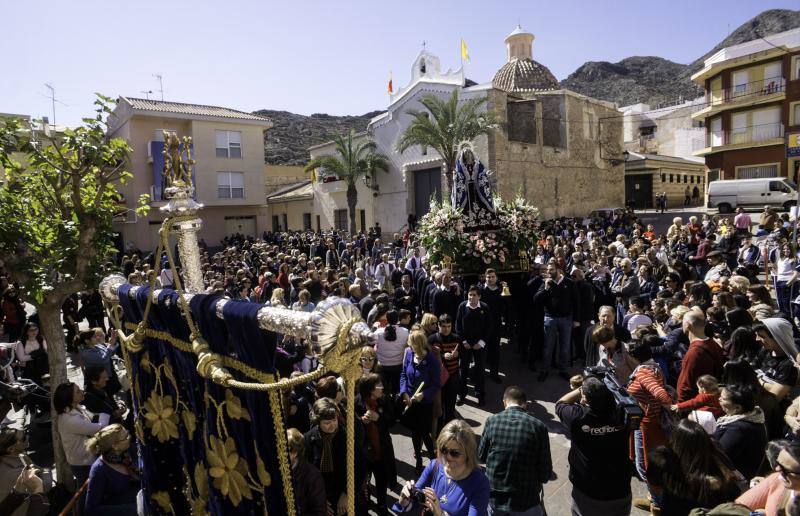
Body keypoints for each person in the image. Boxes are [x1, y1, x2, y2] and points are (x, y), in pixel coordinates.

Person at [556, 377, 632, 516]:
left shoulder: (577, 417)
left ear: (585, 398)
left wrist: (581, 389)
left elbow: (560, 403)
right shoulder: (624, 415)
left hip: (588, 491)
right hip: (620, 488)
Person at [478, 386, 552, 515]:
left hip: (496, 500)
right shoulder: (539, 427)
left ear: (504, 401)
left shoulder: (492, 421)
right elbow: (545, 473)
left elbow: (481, 457)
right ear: (525, 404)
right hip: (526, 501)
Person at [647, 419, 743, 516]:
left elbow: (653, 480)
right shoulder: (717, 461)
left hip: (671, 510)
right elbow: (734, 494)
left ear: (675, 440)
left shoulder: (664, 461)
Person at [396, 419, 490, 516]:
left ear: (468, 454)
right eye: (444, 450)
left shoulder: (480, 483)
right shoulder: (434, 466)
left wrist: (440, 513)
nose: (448, 457)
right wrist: (405, 498)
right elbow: (415, 499)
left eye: (455, 453)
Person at [626, 339, 673, 511]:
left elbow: (661, 394)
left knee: (645, 466)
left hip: (647, 425)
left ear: (633, 357)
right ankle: (656, 497)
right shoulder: (654, 367)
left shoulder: (643, 373)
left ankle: (657, 503)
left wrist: (671, 405)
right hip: (653, 421)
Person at [305, 397, 366, 516]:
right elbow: (307, 473)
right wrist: (319, 499)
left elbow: (360, 468)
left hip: (345, 497)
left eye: (334, 420)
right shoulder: (308, 439)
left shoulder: (348, 437)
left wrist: (347, 494)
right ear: (318, 422)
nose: (332, 425)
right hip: (321, 500)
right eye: (326, 423)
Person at [54, 382, 109, 497]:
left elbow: (91, 416)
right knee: (85, 492)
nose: (82, 392)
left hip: (85, 456)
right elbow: (98, 428)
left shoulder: (77, 408)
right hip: (81, 462)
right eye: (78, 391)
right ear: (69, 398)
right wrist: (106, 415)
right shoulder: (70, 420)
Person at [400, 330, 441, 474]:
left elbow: (436, 384)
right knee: (415, 432)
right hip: (411, 401)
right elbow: (404, 374)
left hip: (424, 403)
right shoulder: (410, 354)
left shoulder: (431, 360)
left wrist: (423, 394)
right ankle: (418, 460)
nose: (410, 347)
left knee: (425, 432)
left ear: (419, 344)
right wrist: (404, 392)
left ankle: (433, 460)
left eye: (412, 344)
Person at [355, 373, 396, 516]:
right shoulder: (356, 403)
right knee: (363, 481)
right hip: (364, 453)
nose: (382, 387)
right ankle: (365, 503)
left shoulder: (384, 400)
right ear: (370, 389)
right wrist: (361, 421)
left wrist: (379, 418)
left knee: (382, 480)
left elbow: (392, 421)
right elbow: (351, 427)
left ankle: (382, 505)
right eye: (379, 385)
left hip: (381, 450)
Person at [712, 384, 768, 480]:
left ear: (737, 408)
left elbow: (721, 456)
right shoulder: (753, 416)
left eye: (723, 399)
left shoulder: (738, 429)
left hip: (739, 477)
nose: (719, 399)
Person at [534, 262, 577, 382]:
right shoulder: (546, 283)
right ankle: (545, 370)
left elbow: (576, 301)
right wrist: (546, 289)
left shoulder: (569, 283)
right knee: (548, 346)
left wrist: (577, 319)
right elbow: (536, 299)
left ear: (558, 270)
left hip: (566, 319)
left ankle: (563, 370)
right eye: (547, 270)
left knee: (565, 347)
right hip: (550, 319)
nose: (548, 272)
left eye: (551, 270)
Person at [84, 424, 139, 516]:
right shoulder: (99, 470)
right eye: (125, 438)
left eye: (127, 434)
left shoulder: (126, 454)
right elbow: (91, 510)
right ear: (114, 446)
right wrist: (134, 509)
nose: (129, 437)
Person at [737, 440, 800, 515]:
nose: (777, 469)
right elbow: (735, 508)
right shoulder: (777, 479)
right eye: (777, 463)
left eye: (785, 469)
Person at [676, 310, 725, 403]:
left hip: (697, 402)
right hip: (711, 397)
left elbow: (686, 384)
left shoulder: (694, 352)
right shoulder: (713, 343)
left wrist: (681, 405)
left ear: (687, 325)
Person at [455, 286, 491, 405]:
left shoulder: (485, 308)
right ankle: (461, 394)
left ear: (479, 296)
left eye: (474, 295)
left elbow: (488, 327)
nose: (471, 297)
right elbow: (458, 325)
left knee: (480, 370)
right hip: (465, 344)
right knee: (463, 369)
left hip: (479, 344)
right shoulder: (462, 306)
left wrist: (481, 343)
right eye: (470, 295)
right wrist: (463, 341)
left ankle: (480, 395)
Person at [0, 428, 48, 516]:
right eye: (23, 438)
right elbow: (41, 493)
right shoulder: (14, 474)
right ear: (11, 449)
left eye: (25, 433)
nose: (28, 437)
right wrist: (39, 485)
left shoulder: (19, 455)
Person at [428, 314, 462, 423]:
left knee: (450, 405)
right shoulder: (432, 339)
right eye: (443, 326)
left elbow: (464, 355)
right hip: (438, 378)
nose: (446, 329)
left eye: (448, 326)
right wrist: (442, 356)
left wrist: (458, 354)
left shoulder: (456, 338)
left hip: (453, 375)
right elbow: (427, 357)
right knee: (438, 405)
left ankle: (449, 426)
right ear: (438, 326)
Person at [287, 428, 327, 516]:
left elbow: (319, 511)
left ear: (296, 452)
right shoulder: (276, 471)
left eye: (288, 451)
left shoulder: (312, 475)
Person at [373, 310, 409, 398]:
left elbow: (371, 341)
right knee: (397, 390)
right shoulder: (405, 331)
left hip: (383, 366)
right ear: (397, 319)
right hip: (398, 365)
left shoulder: (378, 332)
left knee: (384, 392)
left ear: (387, 319)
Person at [77, 328, 121, 396]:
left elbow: (110, 353)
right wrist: (110, 345)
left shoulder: (98, 345)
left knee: (111, 395)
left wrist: (113, 340)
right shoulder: (86, 353)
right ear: (87, 341)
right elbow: (103, 359)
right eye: (94, 337)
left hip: (107, 376)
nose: (97, 337)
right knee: (106, 397)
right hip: (98, 381)